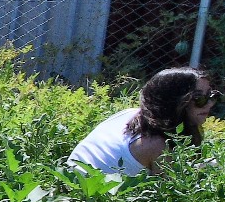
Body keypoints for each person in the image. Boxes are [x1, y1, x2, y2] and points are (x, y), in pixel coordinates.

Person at [65, 66, 216, 177]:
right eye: (199, 99)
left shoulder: (131, 114)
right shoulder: (156, 146)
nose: (210, 104)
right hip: (86, 200)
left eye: (211, 96)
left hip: (70, 181)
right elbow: (174, 195)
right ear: (174, 102)